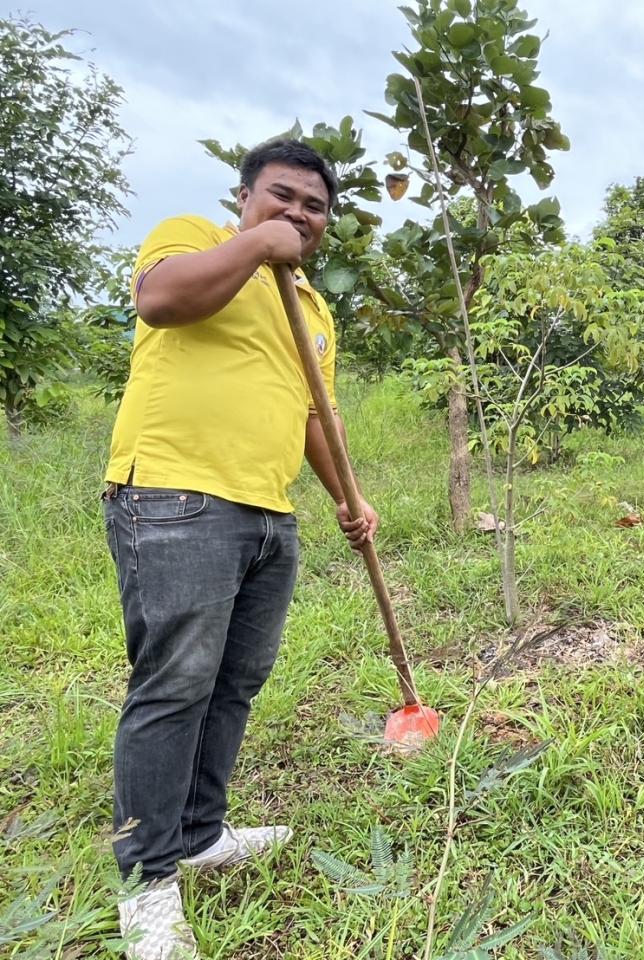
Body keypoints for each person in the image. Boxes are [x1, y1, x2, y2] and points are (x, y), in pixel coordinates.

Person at [102, 139, 377, 958]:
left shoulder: (315, 313)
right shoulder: (191, 237)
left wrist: (348, 497)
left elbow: (311, 417)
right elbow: (159, 304)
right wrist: (257, 247)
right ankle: (147, 881)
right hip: (176, 498)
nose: (298, 214)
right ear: (245, 196)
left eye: (314, 206)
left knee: (234, 683)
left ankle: (199, 833)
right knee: (173, 685)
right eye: (282, 197)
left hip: (268, 514)